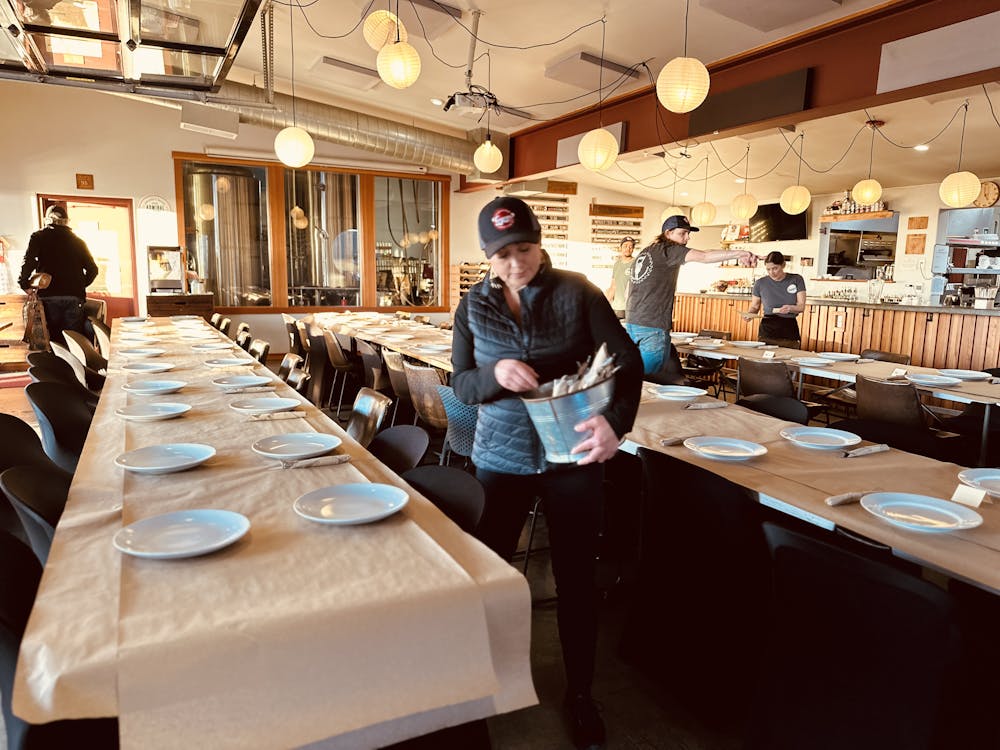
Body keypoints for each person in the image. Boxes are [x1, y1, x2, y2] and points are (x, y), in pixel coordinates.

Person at [452, 196, 642, 750]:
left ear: (540, 243)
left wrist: (615, 424)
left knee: (577, 579)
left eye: (526, 249)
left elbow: (628, 362)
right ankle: (478, 681)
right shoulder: (472, 307)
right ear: (488, 255)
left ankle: (581, 694)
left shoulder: (579, 291)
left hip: (573, 453)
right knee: (488, 575)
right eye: (503, 254)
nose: (516, 264)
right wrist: (493, 373)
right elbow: (461, 382)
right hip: (500, 457)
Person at [625, 214, 756, 374]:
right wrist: (740, 253)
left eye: (688, 234)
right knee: (647, 378)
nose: (687, 238)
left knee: (633, 374)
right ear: (668, 233)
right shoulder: (669, 250)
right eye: (682, 233)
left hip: (632, 323)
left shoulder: (647, 251)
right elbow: (705, 256)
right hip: (653, 325)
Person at [18, 204, 98, 346]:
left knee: (52, 340)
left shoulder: (38, 237)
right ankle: (74, 367)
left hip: (48, 296)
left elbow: (29, 261)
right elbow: (93, 269)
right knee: (74, 341)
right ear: (67, 221)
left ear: (47, 220)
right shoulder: (78, 242)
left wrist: (23, 283)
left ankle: (55, 366)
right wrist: (78, 284)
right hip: (74, 297)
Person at [741, 251, 807, 347]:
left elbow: (801, 307)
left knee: (789, 359)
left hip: (789, 327)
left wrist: (790, 308)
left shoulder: (796, 279)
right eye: (768, 269)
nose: (772, 272)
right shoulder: (760, 283)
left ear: (783, 265)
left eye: (775, 268)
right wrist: (749, 315)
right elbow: (755, 306)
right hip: (768, 327)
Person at [605, 236, 636, 319]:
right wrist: (604, 304)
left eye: (631, 246)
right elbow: (613, 287)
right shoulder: (617, 264)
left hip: (631, 308)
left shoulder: (636, 263)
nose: (628, 248)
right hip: (616, 308)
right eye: (625, 246)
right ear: (621, 248)